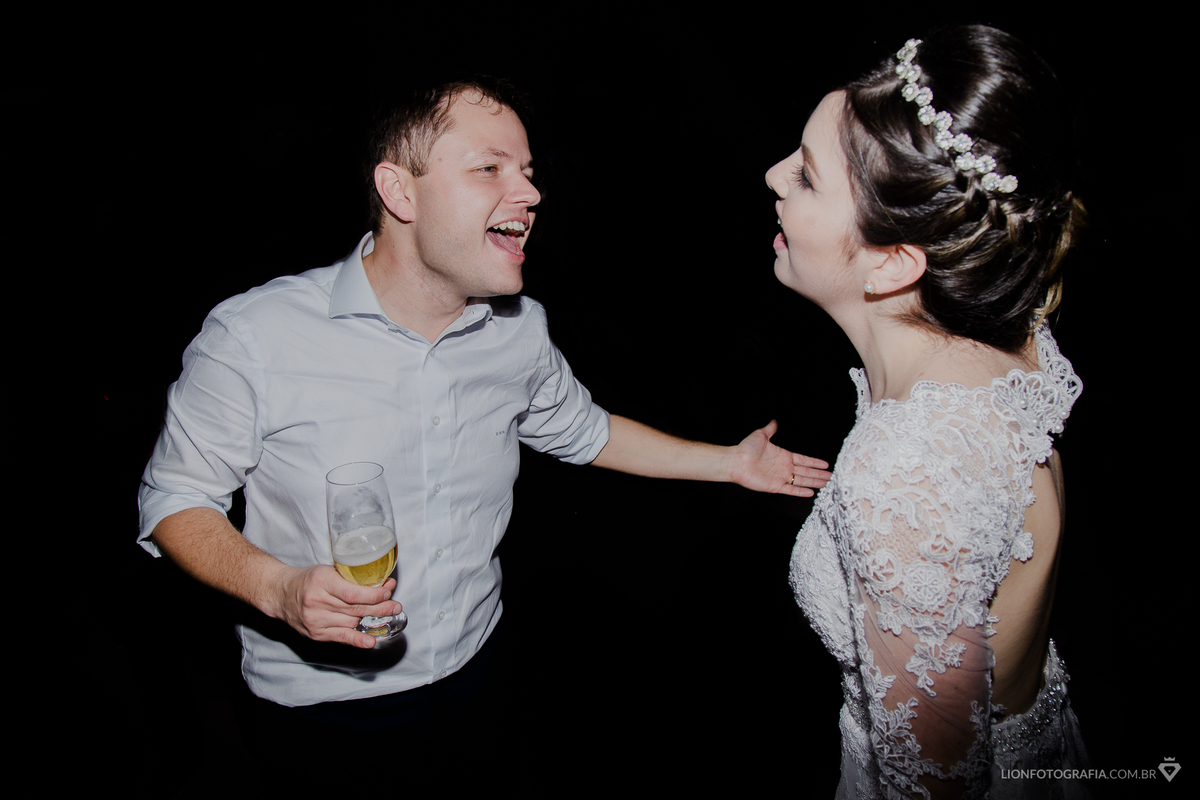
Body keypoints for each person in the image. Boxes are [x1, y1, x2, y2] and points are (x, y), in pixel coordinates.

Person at [137, 76, 830, 783]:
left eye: (528, 173)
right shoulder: (255, 336)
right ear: (399, 192)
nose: (530, 194)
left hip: (481, 676)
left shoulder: (518, 332)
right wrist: (277, 589)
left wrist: (730, 464)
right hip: (323, 710)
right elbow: (175, 502)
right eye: (490, 168)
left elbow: (586, 431)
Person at [769, 27, 1089, 799]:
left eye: (808, 178)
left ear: (893, 262)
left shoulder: (905, 472)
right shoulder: (1005, 331)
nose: (774, 175)